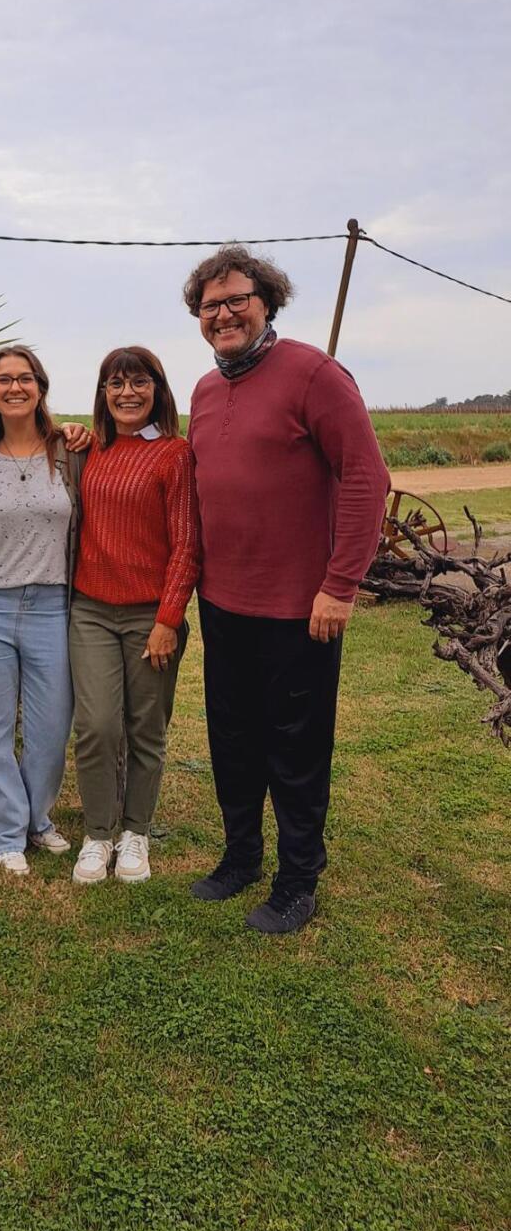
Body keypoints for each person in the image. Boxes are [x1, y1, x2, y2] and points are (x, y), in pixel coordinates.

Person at [184, 245, 389, 933]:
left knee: (295, 751)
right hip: (223, 604)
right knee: (233, 741)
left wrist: (341, 584)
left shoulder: (314, 374)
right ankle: (240, 858)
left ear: (267, 300)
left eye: (237, 298)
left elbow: (366, 476)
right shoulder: (207, 391)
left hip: (300, 610)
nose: (224, 313)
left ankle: (298, 880)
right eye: (210, 305)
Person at [69, 347, 198, 886]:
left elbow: (187, 544)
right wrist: (72, 431)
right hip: (91, 611)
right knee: (96, 725)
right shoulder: (88, 449)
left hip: (151, 614)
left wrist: (168, 619)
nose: (127, 393)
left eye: (139, 382)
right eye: (116, 383)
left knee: (146, 727)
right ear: (103, 392)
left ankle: (136, 832)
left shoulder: (174, 454)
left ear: (157, 390)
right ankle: (98, 834)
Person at [0, 346, 82, 876]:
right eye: (3, 379)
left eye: (25, 378)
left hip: (51, 605)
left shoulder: (69, 449)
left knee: (51, 728)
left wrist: (85, 432)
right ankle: (5, 831)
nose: (15, 387)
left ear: (41, 386)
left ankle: (38, 818)